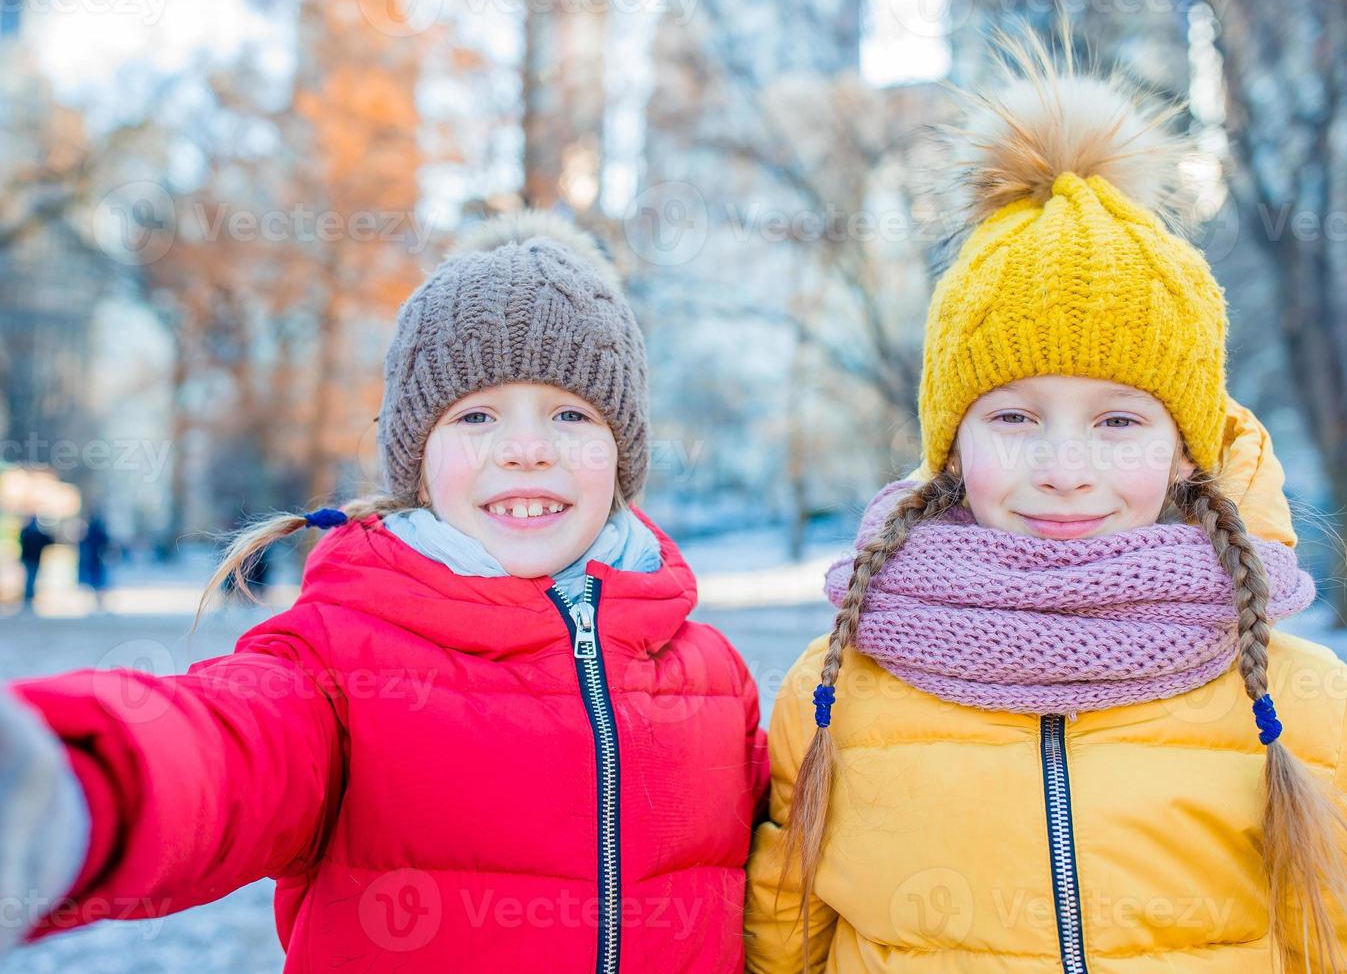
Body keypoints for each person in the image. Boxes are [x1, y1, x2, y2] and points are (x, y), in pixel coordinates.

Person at [745, 37, 1347, 973]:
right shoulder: (835, 688)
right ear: (950, 445)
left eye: (1117, 422)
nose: (1063, 467)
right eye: (1013, 415)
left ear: (1186, 451)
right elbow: (785, 942)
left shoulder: (1311, 710)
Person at [0, 211, 770, 971]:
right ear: (417, 458)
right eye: (476, 415)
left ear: (622, 451)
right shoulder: (339, 664)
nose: (528, 449)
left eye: (571, 413)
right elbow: (229, 748)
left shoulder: (711, 675)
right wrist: (72, 783)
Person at [17, 514, 54, 612]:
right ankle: (29, 593)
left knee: (30, 576)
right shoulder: (33, 533)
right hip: (32, 558)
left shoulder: (27, 532)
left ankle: (29, 593)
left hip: (31, 558)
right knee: (31, 576)